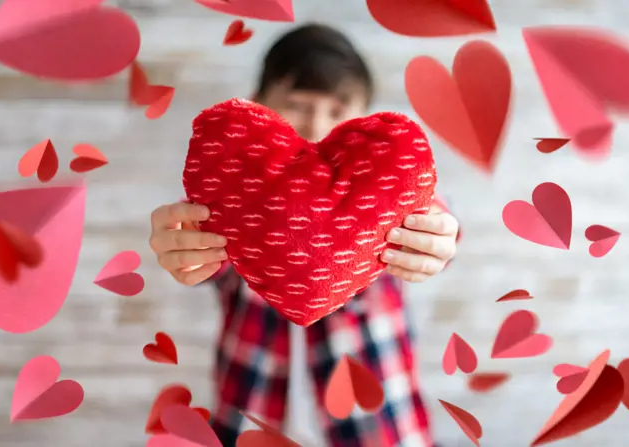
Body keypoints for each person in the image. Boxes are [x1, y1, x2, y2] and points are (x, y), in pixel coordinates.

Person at [148, 24, 460, 447]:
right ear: (259, 104)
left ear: (365, 115)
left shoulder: (388, 191)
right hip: (252, 413)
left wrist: (441, 236)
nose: (316, 124)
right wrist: (182, 249)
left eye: (337, 109)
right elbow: (211, 256)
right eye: (296, 104)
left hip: (378, 421)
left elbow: (432, 216)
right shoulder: (234, 189)